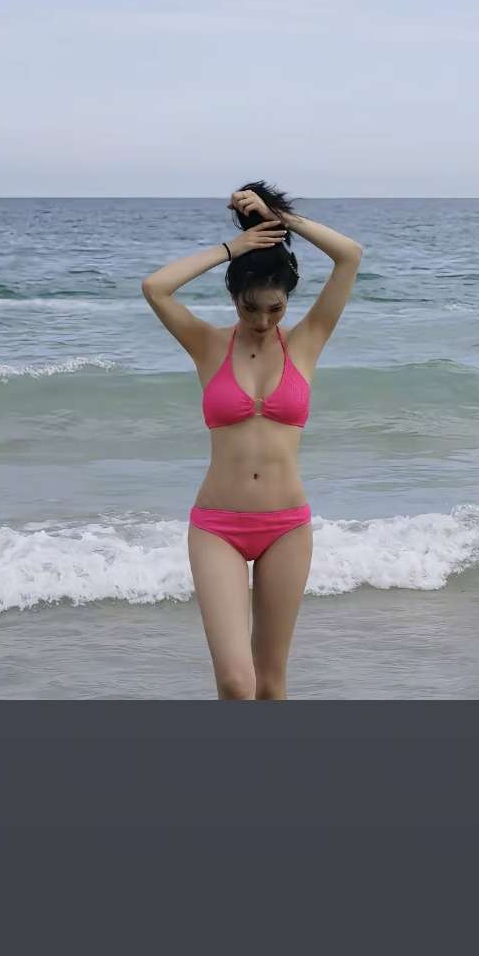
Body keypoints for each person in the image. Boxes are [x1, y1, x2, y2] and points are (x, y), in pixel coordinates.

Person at [141, 183, 362, 699]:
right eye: (250, 309)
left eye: (275, 309)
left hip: (286, 527)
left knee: (271, 683)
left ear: (288, 300)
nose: (263, 322)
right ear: (233, 297)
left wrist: (280, 218)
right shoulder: (206, 344)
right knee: (236, 682)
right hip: (217, 526)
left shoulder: (306, 341)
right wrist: (231, 248)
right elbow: (156, 287)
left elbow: (349, 255)